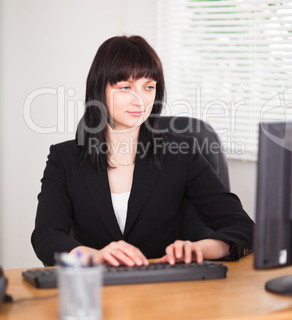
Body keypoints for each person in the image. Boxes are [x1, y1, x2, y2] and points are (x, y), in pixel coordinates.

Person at [31, 35, 254, 267]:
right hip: (96, 290)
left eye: (149, 87)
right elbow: (46, 237)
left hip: (166, 289)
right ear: (100, 90)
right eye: (126, 87)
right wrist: (93, 256)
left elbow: (243, 227)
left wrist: (199, 248)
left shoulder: (183, 153)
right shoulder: (64, 159)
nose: (140, 100)